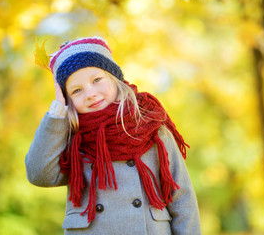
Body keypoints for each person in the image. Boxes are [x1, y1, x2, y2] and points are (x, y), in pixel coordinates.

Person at [25, 36, 201, 235]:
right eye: (76, 90)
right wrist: (57, 112)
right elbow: (39, 174)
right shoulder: (71, 137)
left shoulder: (151, 126)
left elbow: (182, 200)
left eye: (97, 80)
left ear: (115, 79)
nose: (90, 93)